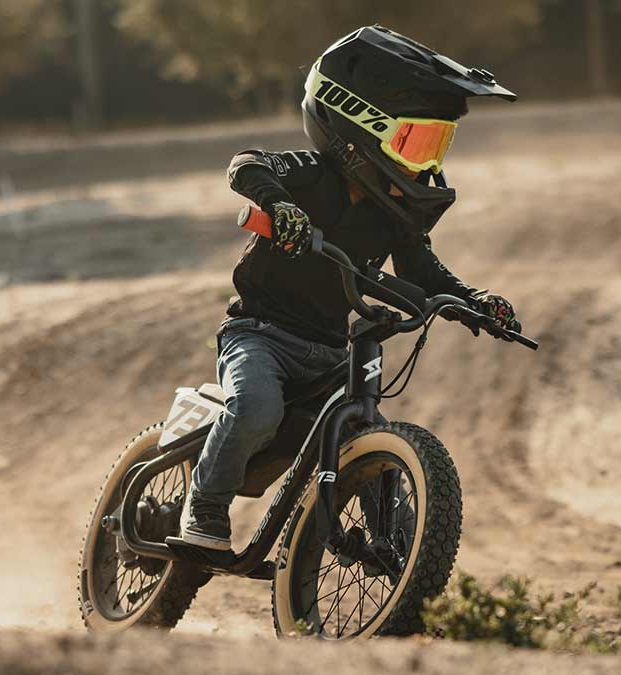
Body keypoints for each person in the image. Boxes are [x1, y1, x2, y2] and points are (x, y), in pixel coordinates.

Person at [179, 25, 522, 551]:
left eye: (437, 144)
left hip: (327, 353)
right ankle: (203, 506)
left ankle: (401, 553)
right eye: (416, 141)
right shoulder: (314, 173)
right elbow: (247, 163)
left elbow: (423, 273)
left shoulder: (395, 217)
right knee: (256, 409)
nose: (427, 161)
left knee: (369, 439)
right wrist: (281, 206)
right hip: (260, 334)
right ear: (362, 126)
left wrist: (473, 302)